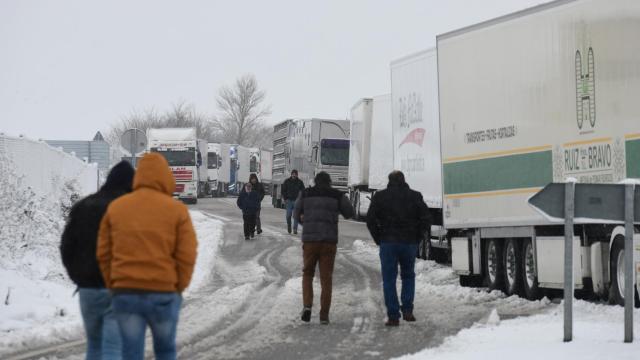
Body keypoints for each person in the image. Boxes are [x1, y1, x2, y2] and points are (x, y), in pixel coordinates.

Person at [97, 153, 197, 360]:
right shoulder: (177, 210)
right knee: (166, 350)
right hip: (163, 292)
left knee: (131, 353)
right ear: (166, 178)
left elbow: (104, 253)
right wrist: (178, 286)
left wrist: (114, 283)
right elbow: (187, 253)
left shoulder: (117, 207)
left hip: (125, 293)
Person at [60, 160, 134, 360]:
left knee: (94, 346)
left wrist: (79, 278)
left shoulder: (84, 206)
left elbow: (67, 246)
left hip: (88, 291)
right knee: (112, 348)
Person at [366, 170, 431, 327]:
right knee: (408, 276)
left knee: (389, 279)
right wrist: (418, 237)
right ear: (404, 180)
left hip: (388, 242)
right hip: (409, 243)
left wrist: (379, 239)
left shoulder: (380, 197)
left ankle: (393, 315)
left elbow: (370, 220)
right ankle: (408, 310)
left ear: (389, 181)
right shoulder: (415, 196)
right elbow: (426, 219)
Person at [294, 171, 353, 324]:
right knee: (326, 278)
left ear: (315, 181)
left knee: (308, 273)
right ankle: (324, 315)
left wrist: (305, 223)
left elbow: (295, 213)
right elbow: (349, 213)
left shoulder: (305, 193)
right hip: (328, 241)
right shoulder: (337, 195)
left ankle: (307, 306)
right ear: (329, 182)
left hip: (310, 241)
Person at [282, 169, 305, 234]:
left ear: (297, 175)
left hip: (297, 201)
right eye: (293, 174)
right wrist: (285, 198)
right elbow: (283, 190)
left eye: (295, 174)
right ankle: (289, 225)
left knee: (296, 216)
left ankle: (295, 229)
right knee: (288, 215)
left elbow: (303, 191)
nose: (294, 175)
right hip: (288, 200)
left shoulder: (300, 182)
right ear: (291, 174)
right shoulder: (287, 181)